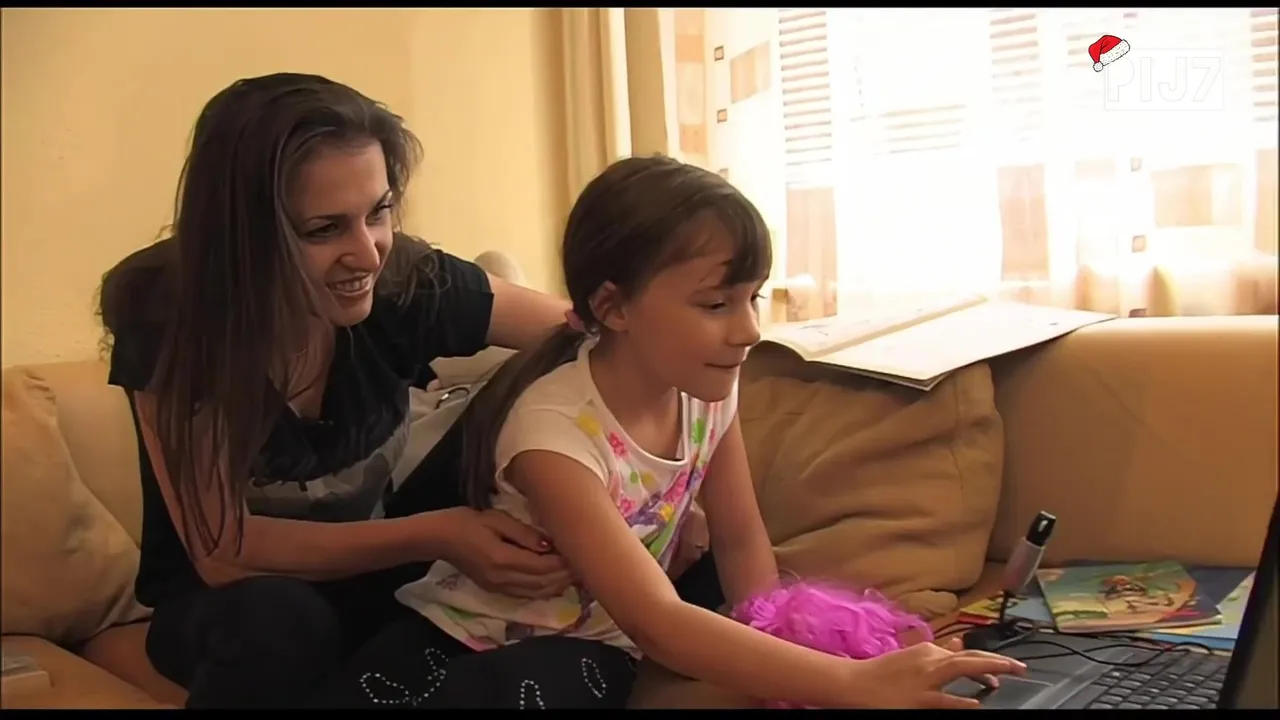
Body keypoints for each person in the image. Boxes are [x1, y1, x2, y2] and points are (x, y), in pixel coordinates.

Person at [96, 73, 717, 709]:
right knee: (279, 621)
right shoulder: (169, 314)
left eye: (379, 212)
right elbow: (223, 551)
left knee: (548, 388)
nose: (367, 254)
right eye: (324, 229)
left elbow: (604, 334)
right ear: (244, 234)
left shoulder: (405, 279)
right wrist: (440, 535)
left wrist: (668, 490)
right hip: (232, 601)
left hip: (383, 571)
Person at [321, 155, 1028, 709]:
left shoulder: (708, 390)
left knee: (569, 675)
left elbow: (741, 539)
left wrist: (787, 647)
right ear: (613, 307)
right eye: (716, 304)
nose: (749, 330)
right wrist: (854, 685)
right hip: (462, 634)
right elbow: (657, 621)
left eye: (752, 298)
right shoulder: (551, 433)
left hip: (593, 643)